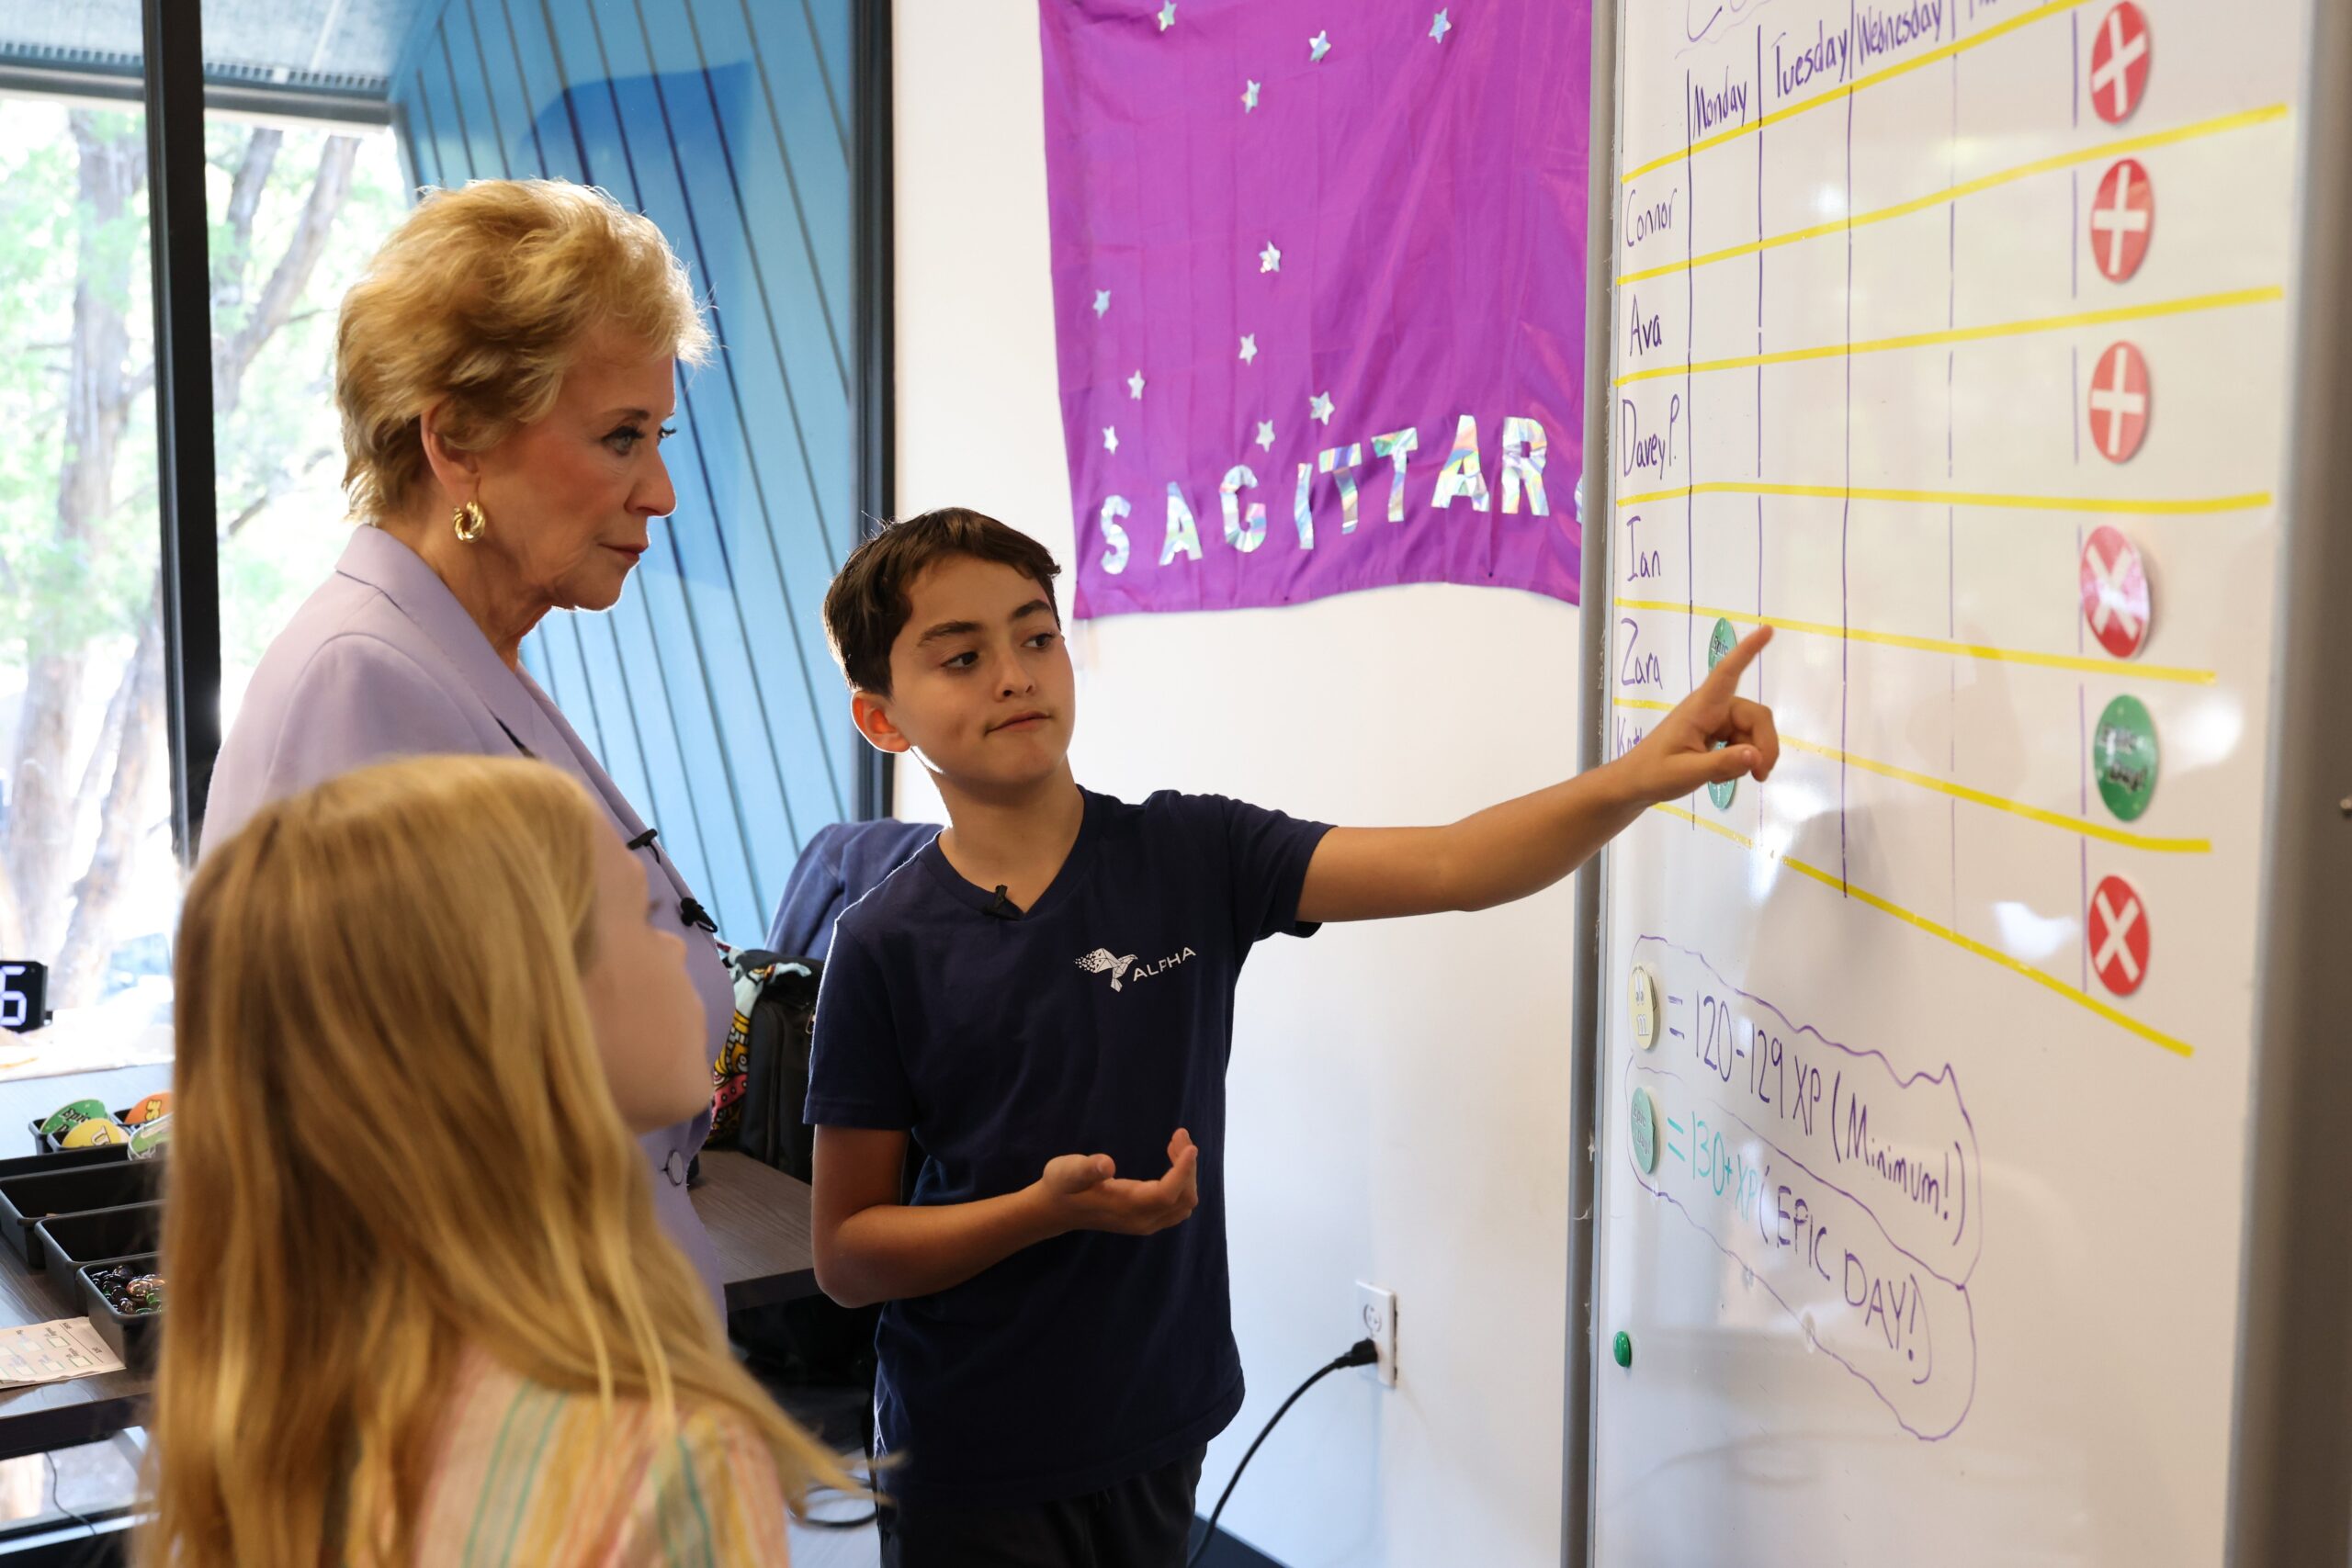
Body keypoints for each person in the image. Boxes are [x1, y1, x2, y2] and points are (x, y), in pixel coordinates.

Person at [803, 508, 1781, 1566]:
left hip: (1157, 1417)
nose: (1013, 674)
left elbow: (1455, 865)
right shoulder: (882, 945)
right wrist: (1040, 1214)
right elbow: (848, 1256)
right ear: (881, 718)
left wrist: (1639, 771)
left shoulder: (1190, 852)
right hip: (969, 1448)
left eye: (1036, 637)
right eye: (962, 656)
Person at [204, 178, 730, 1308]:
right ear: (458, 444)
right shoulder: (365, 683)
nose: (662, 492)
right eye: (620, 439)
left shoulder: (452, 654)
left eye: (659, 437)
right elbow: (388, 1161)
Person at [142, 755, 840, 1565]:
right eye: (649, 914)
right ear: (532, 1011)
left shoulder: (271, 1417)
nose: (695, 952)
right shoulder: (662, 1460)